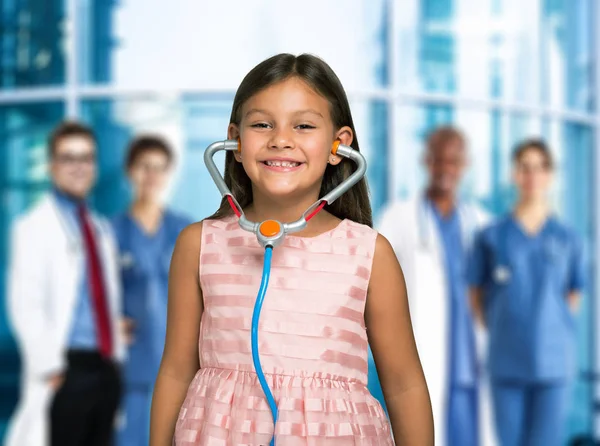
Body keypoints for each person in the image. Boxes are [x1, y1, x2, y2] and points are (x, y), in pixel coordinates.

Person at [150, 53, 434, 445]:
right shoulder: (199, 244)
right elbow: (176, 371)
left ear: (339, 145)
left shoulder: (370, 254)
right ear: (234, 140)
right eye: (261, 124)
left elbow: (404, 385)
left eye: (303, 126)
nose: (280, 139)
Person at [5, 121, 125, 446]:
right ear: (52, 166)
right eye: (69, 158)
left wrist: (116, 359)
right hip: (65, 369)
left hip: (105, 370)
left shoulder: (99, 228)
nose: (79, 167)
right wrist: (51, 370)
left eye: (86, 158)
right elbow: (24, 304)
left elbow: (105, 299)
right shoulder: (32, 227)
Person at [377, 126, 493, 446]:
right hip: (420, 351)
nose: (446, 169)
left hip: (469, 358)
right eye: (439, 160)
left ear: (464, 165)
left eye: (453, 161)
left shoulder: (481, 224)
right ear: (426, 162)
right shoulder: (398, 219)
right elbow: (376, 289)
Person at [468, 139, 585, 446]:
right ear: (515, 175)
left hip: (553, 365)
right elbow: (475, 295)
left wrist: (548, 328)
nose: (532, 175)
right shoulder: (492, 236)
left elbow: (573, 295)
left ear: (549, 176)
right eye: (525, 168)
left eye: (539, 168)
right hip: (507, 363)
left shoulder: (567, 238)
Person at [112, 135, 192, 446]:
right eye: (144, 167)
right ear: (130, 172)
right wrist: (107, 321)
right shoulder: (113, 232)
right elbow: (92, 294)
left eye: (159, 168)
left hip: (178, 358)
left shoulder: (183, 230)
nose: (152, 176)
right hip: (131, 365)